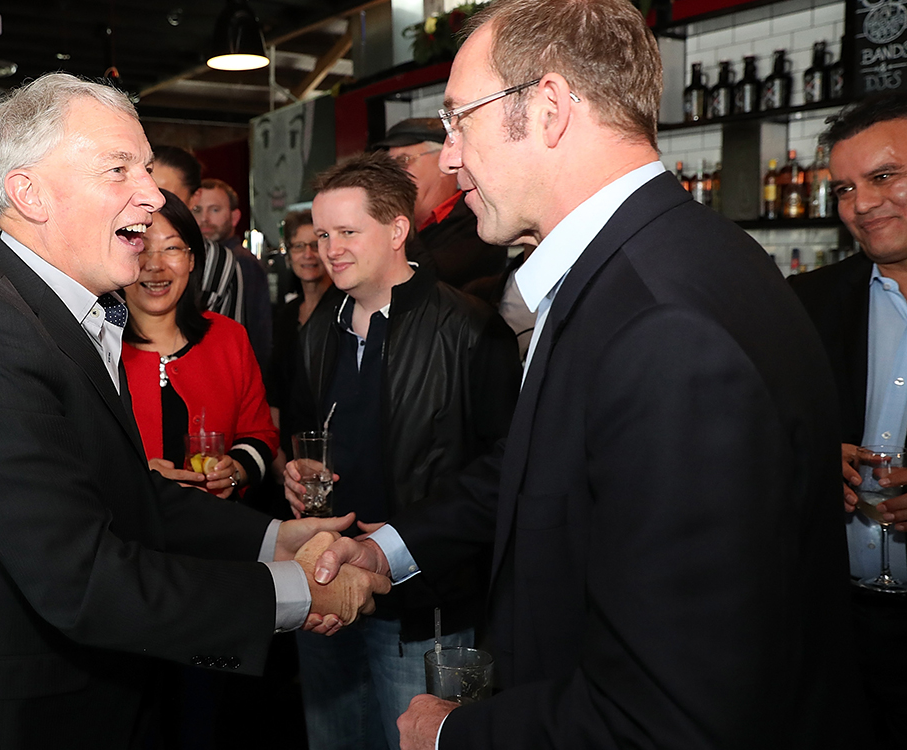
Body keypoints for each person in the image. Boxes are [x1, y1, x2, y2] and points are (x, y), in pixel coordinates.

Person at [308, 0, 858, 747]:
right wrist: (387, 548)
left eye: (459, 120)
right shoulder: (654, 263)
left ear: (549, 109)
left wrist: (453, 736)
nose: (448, 157)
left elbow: (669, 712)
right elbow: (542, 464)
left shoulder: (662, 322)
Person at [0, 72, 389, 750]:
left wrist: (277, 539)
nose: (153, 193)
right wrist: (299, 591)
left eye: (147, 167)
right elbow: (81, 578)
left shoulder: (58, 317)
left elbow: (126, 496)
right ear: (29, 192)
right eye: (119, 169)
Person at [283, 152, 519, 750]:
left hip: (424, 608)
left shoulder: (470, 330)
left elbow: (508, 470)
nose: (330, 249)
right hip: (328, 590)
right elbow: (311, 437)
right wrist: (296, 474)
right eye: (323, 235)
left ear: (396, 230)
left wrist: (395, 547)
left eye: (348, 232)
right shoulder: (317, 330)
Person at [789, 93, 907, 749]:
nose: (861, 204)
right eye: (844, 189)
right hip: (835, 628)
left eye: (884, 177)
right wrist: (804, 459)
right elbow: (764, 437)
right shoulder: (807, 302)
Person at [122, 189, 277, 501]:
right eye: (141, 248)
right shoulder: (93, 344)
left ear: (192, 260)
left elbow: (260, 434)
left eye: (172, 248)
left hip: (218, 535)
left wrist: (236, 469)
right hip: (127, 540)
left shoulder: (228, 338)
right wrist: (134, 480)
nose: (155, 265)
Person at [374, 117, 508, 290]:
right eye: (389, 166)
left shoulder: (479, 220)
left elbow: (430, 285)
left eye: (404, 161)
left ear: (444, 162)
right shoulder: (391, 222)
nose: (393, 175)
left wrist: (399, 212)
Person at [153, 146, 248, 341]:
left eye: (165, 196)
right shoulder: (119, 252)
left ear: (194, 198)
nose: (153, 204)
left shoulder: (221, 263)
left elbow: (230, 344)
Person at [192, 178, 274, 370]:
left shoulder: (241, 262)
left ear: (235, 217)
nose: (204, 218)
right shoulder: (199, 259)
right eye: (197, 210)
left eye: (214, 210)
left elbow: (258, 333)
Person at [267, 210, 331, 421]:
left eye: (315, 245)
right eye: (298, 247)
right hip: (289, 441)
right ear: (289, 256)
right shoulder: (287, 314)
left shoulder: (346, 310)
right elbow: (276, 388)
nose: (308, 255)